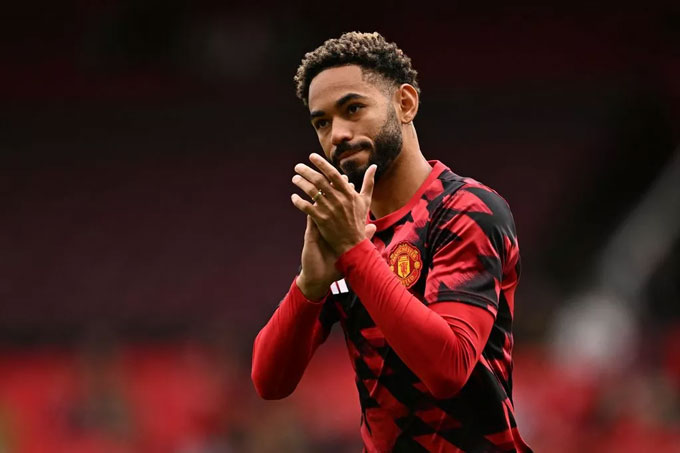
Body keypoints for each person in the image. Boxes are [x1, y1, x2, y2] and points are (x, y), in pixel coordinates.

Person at [251, 31, 532, 453]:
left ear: (405, 103)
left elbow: (448, 370)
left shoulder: (465, 209)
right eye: (322, 122)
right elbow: (269, 382)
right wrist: (309, 285)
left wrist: (356, 252)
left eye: (353, 108)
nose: (337, 134)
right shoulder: (348, 231)